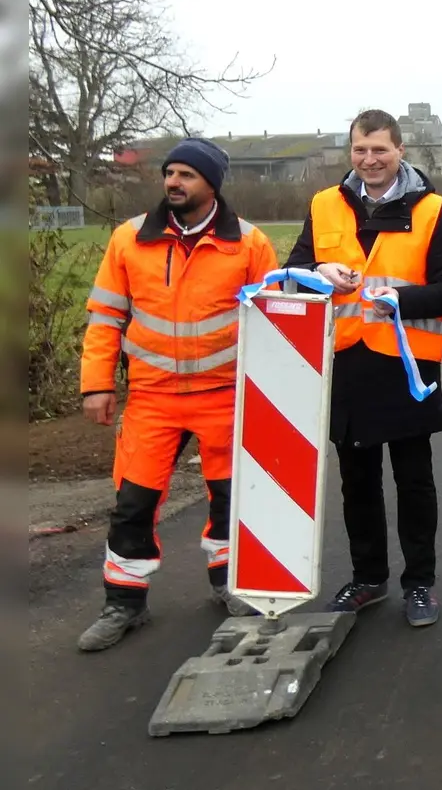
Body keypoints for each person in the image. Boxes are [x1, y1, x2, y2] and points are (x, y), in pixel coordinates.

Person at [76, 138, 280, 651]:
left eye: (187, 174)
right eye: (170, 173)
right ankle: (123, 602)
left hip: (225, 395)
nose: (174, 182)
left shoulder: (250, 244)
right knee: (132, 503)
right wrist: (97, 384)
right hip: (152, 397)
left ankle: (229, 584)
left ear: (212, 184)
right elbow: (105, 318)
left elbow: (275, 323)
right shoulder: (129, 240)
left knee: (232, 499)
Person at [285, 109, 442, 627]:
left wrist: (400, 300)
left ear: (400, 151)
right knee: (356, 481)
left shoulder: (433, 210)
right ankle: (368, 577)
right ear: (351, 152)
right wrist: (317, 270)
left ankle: (420, 584)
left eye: (380, 150)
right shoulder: (324, 205)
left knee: (414, 480)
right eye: (361, 150)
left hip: (408, 366)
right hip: (345, 362)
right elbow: (293, 270)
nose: (370, 160)